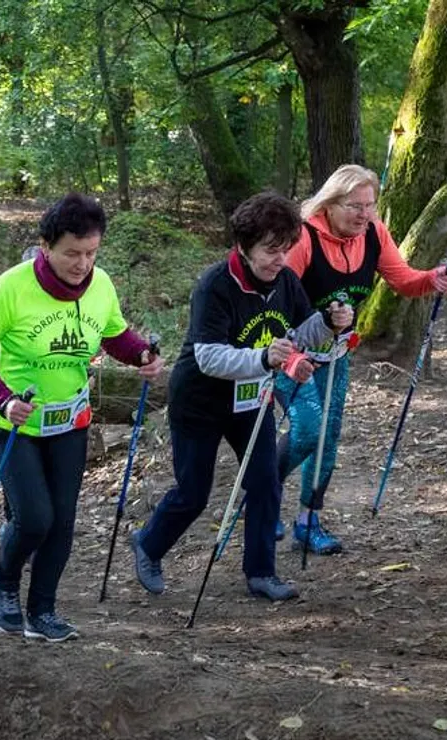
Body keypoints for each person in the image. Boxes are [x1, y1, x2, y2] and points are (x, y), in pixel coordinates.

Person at [0, 195, 165, 641]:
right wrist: (2, 399)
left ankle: (43, 610)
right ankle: (5, 581)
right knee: (34, 517)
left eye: (91, 253)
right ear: (46, 246)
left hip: (69, 420)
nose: (82, 264)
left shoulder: (101, 285)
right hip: (13, 422)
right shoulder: (13, 287)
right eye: (72, 252)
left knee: (63, 520)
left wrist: (142, 354)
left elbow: (114, 335)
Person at [129, 192, 353, 603]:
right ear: (243, 246)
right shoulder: (215, 285)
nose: (279, 260)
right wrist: (265, 357)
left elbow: (298, 334)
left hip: (251, 400)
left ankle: (261, 573)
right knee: (194, 491)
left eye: (286, 250)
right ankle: (148, 543)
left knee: (266, 481)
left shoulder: (285, 281)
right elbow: (208, 355)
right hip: (200, 400)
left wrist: (328, 322)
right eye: (270, 250)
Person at [275, 164, 447, 555]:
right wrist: (296, 348)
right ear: (330, 203)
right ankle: (264, 491)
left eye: (370, 205)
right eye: (354, 206)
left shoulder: (374, 233)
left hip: (338, 354)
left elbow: (403, 279)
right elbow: (275, 303)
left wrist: (434, 279)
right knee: (309, 430)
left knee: (328, 437)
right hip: (290, 353)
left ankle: (308, 522)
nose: (363, 214)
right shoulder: (304, 237)